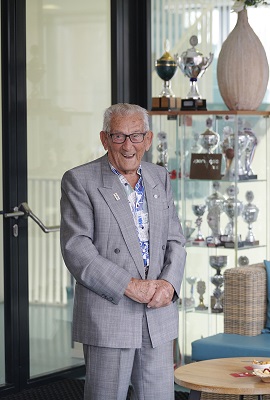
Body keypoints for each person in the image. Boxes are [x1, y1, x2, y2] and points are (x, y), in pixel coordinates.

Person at [60, 103, 187, 400]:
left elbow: (175, 239)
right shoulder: (80, 180)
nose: (128, 146)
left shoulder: (159, 176)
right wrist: (129, 286)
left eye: (136, 136)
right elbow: (77, 249)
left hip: (157, 312)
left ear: (148, 139)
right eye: (118, 136)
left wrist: (169, 285)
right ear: (105, 139)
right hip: (109, 314)